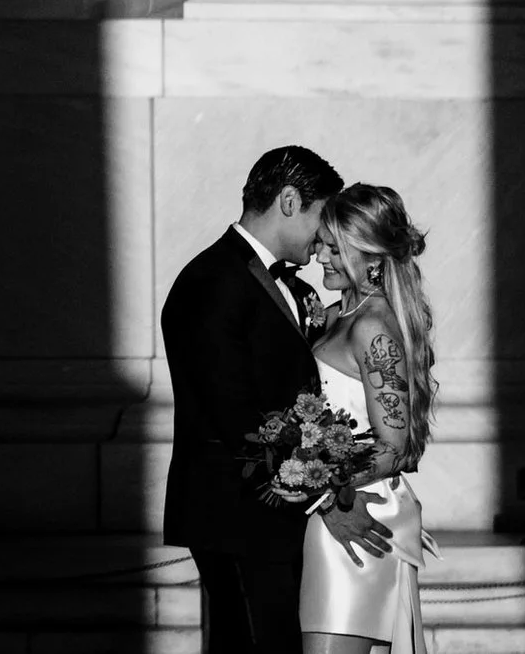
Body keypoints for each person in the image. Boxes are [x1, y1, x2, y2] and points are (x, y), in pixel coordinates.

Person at [163, 146, 391, 654]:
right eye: (321, 217)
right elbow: (236, 414)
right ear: (289, 201)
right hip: (238, 516)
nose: (323, 239)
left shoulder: (286, 286)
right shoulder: (213, 281)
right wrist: (326, 499)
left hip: (274, 519)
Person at [301, 184, 442, 653]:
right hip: (331, 510)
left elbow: (395, 445)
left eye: (334, 247)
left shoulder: (371, 326)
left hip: (355, 512)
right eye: (323, 242)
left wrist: (317, 482)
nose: (320, 256)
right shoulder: (342, 313)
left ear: (371, 255)